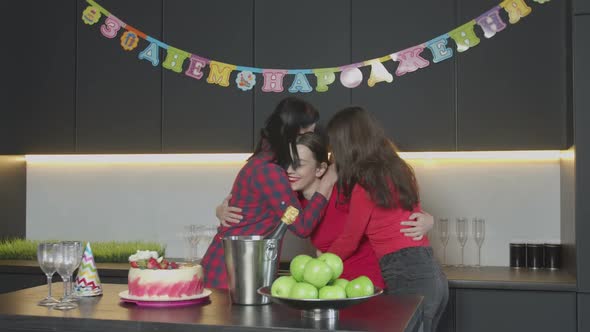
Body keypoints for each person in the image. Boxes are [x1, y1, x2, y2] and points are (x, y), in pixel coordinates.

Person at [217, 132, 434, 290]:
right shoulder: (293, 205)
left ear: (320, 168)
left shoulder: (345, 193)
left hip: (368, 286)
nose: (289, 171)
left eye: (299, 164)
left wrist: (428, 220)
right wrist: (221, 210)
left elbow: (391, 206)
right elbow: (260, 216)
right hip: (331, 286)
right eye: (285, 164)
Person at [325, 106, 448, 332]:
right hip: (431, 273)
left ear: (347, 146)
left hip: (407, 275)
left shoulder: (365, 186)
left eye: (335, 147)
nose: (333, 155)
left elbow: (350, 239)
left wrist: (323, 263)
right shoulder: (399, 170)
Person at [200, 97, 336, 289]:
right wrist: (326, 183)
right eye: (307, 134)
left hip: (235, 270)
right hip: (230, 274)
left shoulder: (267, 163)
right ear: (295, 131)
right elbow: (302, 226)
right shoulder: (270, 170)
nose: (308, 140)